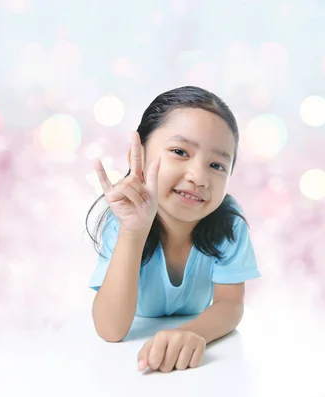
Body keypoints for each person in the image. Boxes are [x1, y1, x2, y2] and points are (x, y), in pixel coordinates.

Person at [85, 86, 260, 373]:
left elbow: (230, 305)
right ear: (136, 155)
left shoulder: (229, 222)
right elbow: (110, 329)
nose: (199, 177)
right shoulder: (124, 218)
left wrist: (192, 333)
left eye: (217, 165)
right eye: (180, 152)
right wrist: (133, 232)